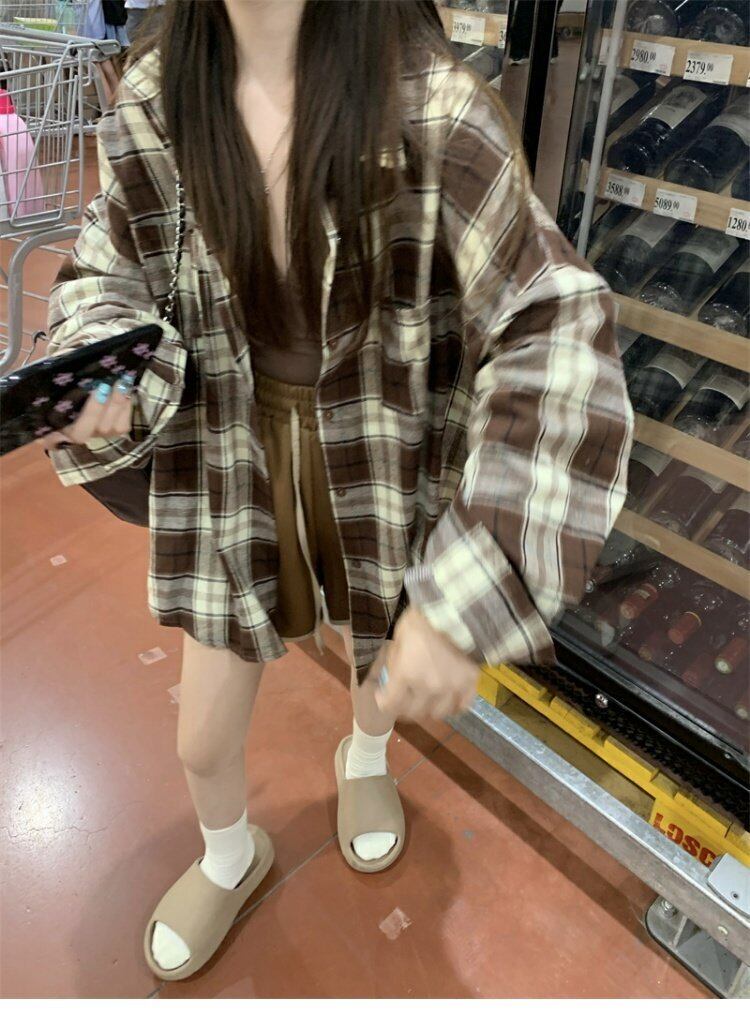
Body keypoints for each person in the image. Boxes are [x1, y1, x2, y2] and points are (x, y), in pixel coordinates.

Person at [37, 0, 633, 984]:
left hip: (376, 452)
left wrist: (475, 586)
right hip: (230, 453)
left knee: (377, 646)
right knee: (203, 733)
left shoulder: (429, 111)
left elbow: (555, 328)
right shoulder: (161, 93)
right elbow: (112, 264)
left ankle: (364, 758)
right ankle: (229, 851)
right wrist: (103, 359)